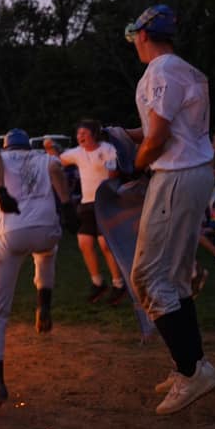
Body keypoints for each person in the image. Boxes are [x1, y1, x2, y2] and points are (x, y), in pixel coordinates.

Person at [124, 4, 215, 415]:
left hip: (176, 176)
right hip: (189, 172)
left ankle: (191, 370)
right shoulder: (182, 70)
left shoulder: (163, 71)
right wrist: (123, 135)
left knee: (147, 276)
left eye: (135, 37)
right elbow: (161, 128)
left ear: (144, 35)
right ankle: (192, 367)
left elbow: (159, 136)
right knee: (175, 280)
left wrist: (136, 164)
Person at [0, 129, 72, 406]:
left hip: (13, 231)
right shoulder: (43, 158)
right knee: (46, 251)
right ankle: (44, 302)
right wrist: (66, 204)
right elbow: (57, 169)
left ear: (8, 146)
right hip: (46, 229)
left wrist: (0, 190)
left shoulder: (1, 156)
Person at [46, 119, 127, 305]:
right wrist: (51, 149)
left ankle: (118, 284)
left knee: (105, 243)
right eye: (78, 134)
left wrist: (113, 172)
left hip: (106, 202)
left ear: (94, 134)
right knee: (84, 242)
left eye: (84, 133)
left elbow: (115, 171)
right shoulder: (77, 153)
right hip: (87, 203)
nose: (80, 136)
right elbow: (58, 162)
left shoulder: (107, 149)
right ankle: (98, 282)